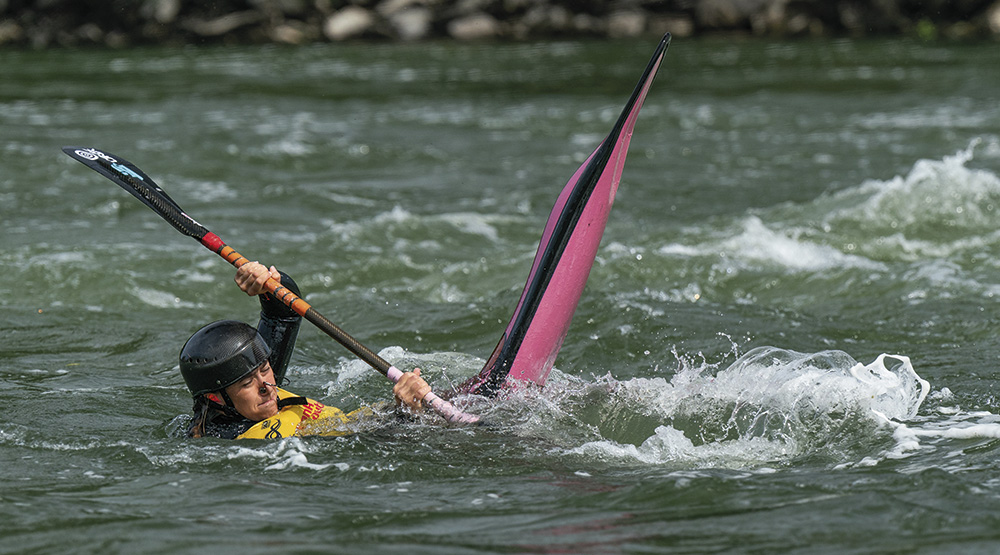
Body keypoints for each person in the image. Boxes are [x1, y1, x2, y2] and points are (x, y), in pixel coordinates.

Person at [180, 261, 432, 439]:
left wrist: (270, 284)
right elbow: (373, 445)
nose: (267, 385)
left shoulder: (257, 394)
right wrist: (406, 414)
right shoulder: (254, 441)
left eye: (266, 369)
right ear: (216, 399)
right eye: (247, 383)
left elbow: (285, 315)